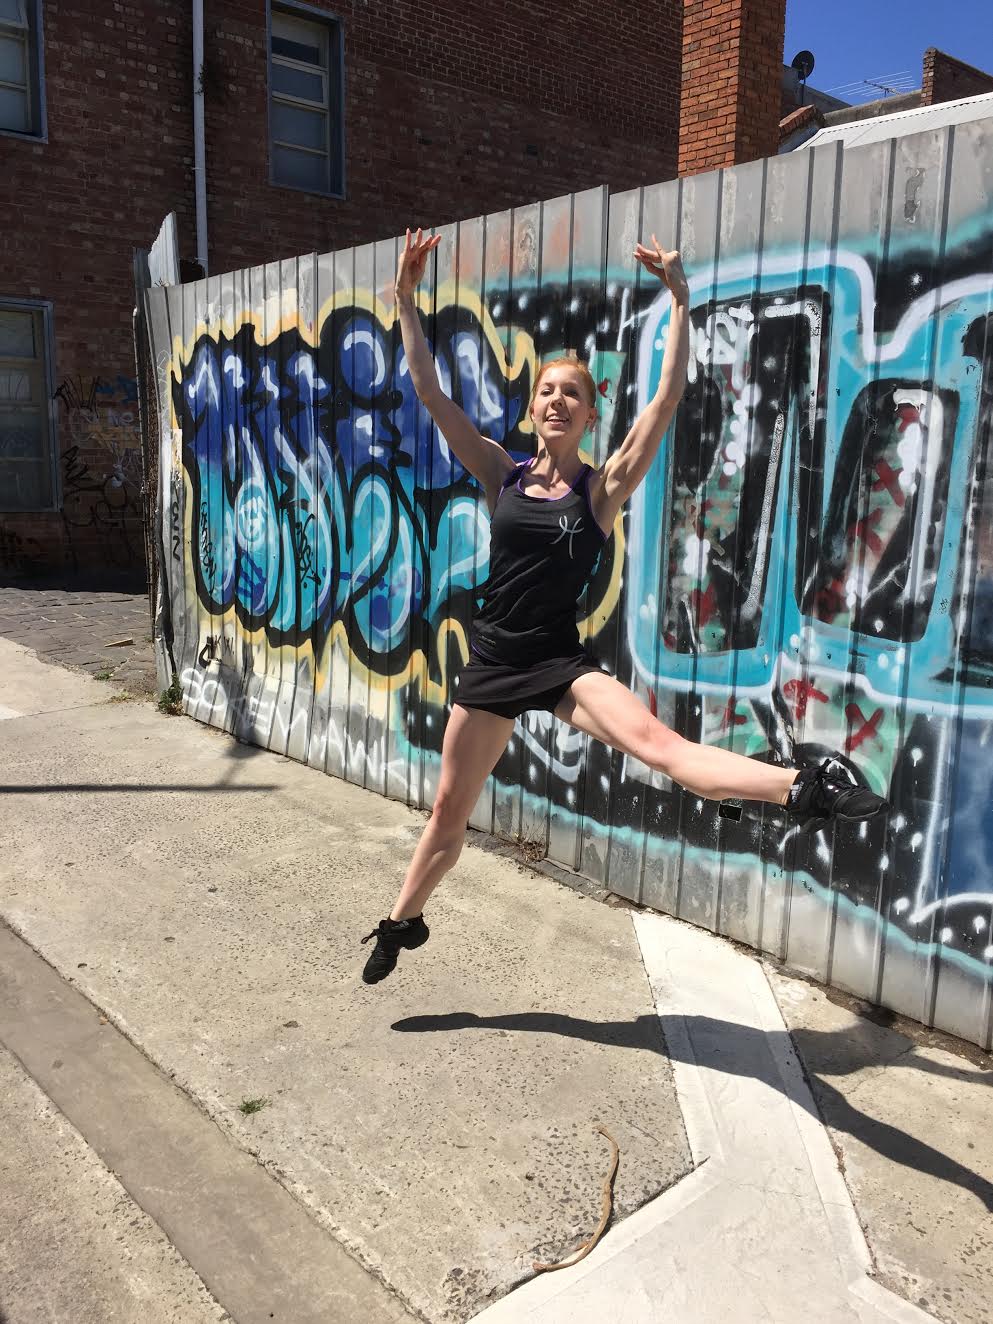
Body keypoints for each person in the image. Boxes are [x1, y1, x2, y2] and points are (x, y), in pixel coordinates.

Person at [360, 228, 887, 985]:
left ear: (588, 412)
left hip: (558, 663)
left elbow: (665, 401)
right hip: (493, 662)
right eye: (547, 391)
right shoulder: (500, 473)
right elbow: (431, 395)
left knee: (661, 748)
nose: (557, 401)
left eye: (571, 394)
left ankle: (803, 786)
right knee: (448, 812)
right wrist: (407, 302)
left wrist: (680, 300)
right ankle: (402, 922)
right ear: (532, 407)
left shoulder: (599, 490)